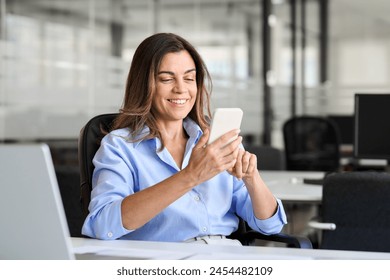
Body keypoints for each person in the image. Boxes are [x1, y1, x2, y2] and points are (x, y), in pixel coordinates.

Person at [82, 32, 287, 245]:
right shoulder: (119, 146)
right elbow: (103, 225)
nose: (181, 89)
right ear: (144, 85)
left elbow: (270, 226)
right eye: (167, 79)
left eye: (189, 78)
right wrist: (191, 176)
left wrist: (251, 179)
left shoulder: (216, 141)